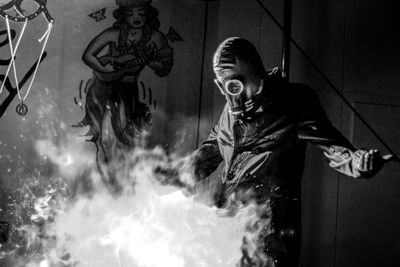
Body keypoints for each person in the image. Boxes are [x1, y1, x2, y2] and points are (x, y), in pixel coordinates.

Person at [190, 37, 393, 267]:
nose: (235, 97)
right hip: (228, 221)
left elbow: (334, 147)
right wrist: (159, 178)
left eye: (236, 85)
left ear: (255, 70)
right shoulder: (230, 110)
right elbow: (208, 153)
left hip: (271, 227)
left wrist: (359, 163)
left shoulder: (294, 101)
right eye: (226, 87)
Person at [75, 0, 173, 146]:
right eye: (130, 14)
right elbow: (88, 56)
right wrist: (105, 69)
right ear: (123, 15)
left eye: (141, 13)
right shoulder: (113, 34)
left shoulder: (156, 38)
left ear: (147, 13)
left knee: (127, 134)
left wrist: (151, 62)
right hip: (102, 86)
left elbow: (165, 67)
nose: (136, 17)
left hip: (127, 90)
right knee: (100, 134)